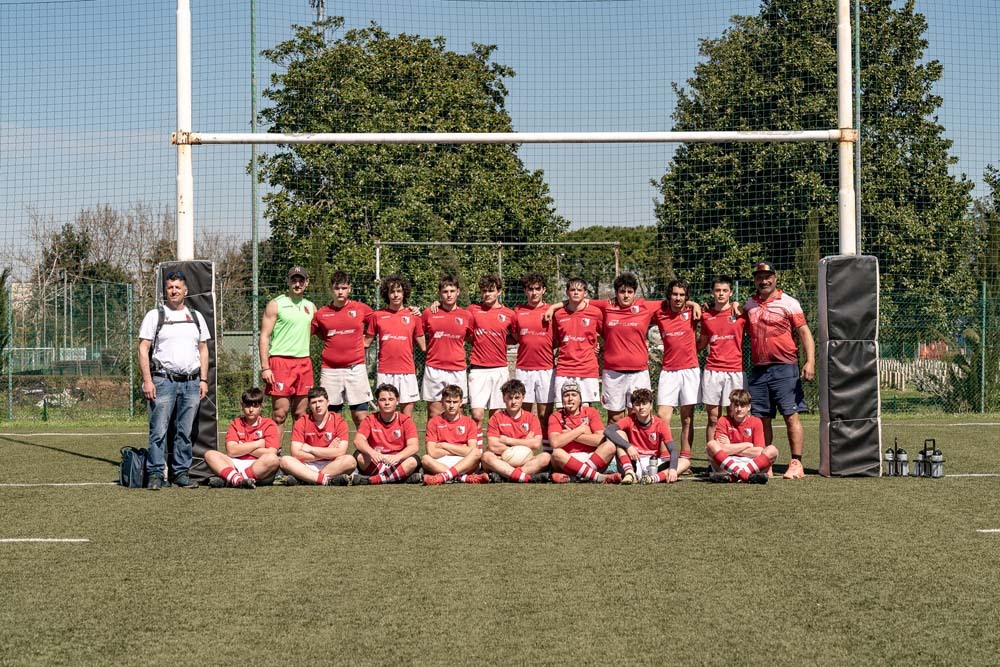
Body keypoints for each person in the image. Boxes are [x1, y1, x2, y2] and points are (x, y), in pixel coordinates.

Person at [137, 269, 210, 490]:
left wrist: (203, 379)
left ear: (186, 291)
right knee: (158, 431)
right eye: (170, 287)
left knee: (184, 432)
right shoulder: (155, 315)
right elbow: (143, 348)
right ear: (165, 291)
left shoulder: (196, 317)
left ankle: (180, 473)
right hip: (163, 381)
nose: (174, 291)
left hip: (191, 382)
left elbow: (203, 349)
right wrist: (147, 380)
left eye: (178, 287)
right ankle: (156, 473)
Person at [742, 261, 815, 480]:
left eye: (767, 277)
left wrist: (810, 361)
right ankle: (766, 463)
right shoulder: (749, 305)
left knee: (790, 415)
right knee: (761, 418)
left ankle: (796, 463)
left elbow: (804, 332)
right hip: (759, 370)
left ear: (775, 278)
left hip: (785, 368)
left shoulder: (789, 303)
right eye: (759, 277)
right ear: (755, 280)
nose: (763, 281)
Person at [259, 266, 316, 440]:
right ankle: (275, 453)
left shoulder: (311, 307)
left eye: (301, 280)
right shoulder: (276, 304)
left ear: (306, 283)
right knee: (279, 414)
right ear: (288, 281)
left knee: (301, 415)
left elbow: (324, 331)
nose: (297, 284)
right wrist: (265, 367)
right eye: (294, 280)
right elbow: (264, 336)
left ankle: (298, 453)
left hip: (304, 363)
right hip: (280, 362)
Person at [311, 270, 373, 427]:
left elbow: (378, 322)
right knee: (331, 416)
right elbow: (315, 331)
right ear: (331, 289)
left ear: (349, 288)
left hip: (356, 368)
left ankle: (363, 444)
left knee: (361, 416)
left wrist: (367, 340)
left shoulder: (361, 308)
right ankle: (334, 444)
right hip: (330, 370)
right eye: (337, 288)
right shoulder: (322, 313)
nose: (340, 292)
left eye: (344, 288)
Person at [651, 279, 699, 474]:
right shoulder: (659, 313)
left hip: (690, 370)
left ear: (686, 297)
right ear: (669, 295)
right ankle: (665, 459)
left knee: (687, 418)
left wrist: (694, 304)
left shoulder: (693, 312)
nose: (678, 298)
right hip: (668, 371)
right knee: (663, 417)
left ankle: (685, 459)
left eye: (682, 295)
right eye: (675, 294)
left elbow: (716, 309)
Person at [364, 275, 427, 417]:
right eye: (392, 292)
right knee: (384, 415)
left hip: (407, 371)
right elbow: (366, 342)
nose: (396, 295)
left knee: (406, 417)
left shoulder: (414, 316)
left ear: (404, 293)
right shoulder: (378, 315)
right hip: (385, 371)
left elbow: (424, 346)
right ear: (387, 294)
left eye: (399, 291)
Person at [698, 276, 746, 442]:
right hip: (713, 371)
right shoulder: (705, 315)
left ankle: (733, 453)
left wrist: (738, 304)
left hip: (735, 370)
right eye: (717, 290)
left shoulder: (741, 313)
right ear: (712, 292)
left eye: (725, 290)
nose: (721, 294)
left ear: (731, 293)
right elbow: (702, 342)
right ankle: (713, 455)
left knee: (734, 415)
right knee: (713, 418)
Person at [511, 272, 556, 446]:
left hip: (546, 369)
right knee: (523, 415)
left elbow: (557, 339)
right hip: (524, 369)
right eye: (530, 289)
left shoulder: (553, 311)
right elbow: (516, 337)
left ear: (544, 290)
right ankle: (524, 453)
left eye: (538, 289)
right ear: (525, 291)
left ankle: (547, 453)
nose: (534, 293)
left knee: (545, 415)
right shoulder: (517, 311)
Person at [279, 387, 357, 486]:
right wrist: (328, 451)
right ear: (309, 405)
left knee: (350, 461)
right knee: (284, 461)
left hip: (331, 465)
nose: (318, 405)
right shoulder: (302, 421)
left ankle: (306, 478)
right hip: (306, 465)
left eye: (320, 401)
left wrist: (311, 449)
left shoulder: (339, 422)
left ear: (328, 402)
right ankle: (324, 480)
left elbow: (340, 452)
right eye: (314, 402)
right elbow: (296, 453)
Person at [421, 275, 473, 419]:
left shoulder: (467, 315)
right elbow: (417, 333)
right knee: (434, 413)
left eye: (452, 291)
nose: (449, 295)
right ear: (440, 293)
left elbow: (470, 337)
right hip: (434, 368)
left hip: (457, 369)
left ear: (458, 292)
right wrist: (426, 348)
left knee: (457, 413)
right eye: (445, 291)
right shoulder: (429, 313)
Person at [205, 387, 280, 488]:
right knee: (210, 454)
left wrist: (242, 446)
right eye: (247, 405)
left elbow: (271, 452)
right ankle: (239, 480)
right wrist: (257, 444)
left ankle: (233, 479)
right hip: (235, 463)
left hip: (258, 465)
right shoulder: (236, 423)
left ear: (261, 406)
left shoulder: (269, 424)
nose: (251, 410)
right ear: (242, 406)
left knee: (273, 459)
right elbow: (231, 451)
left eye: (255, 406)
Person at [602, 388, 678, 485]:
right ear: (633, 407)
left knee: (684, 462)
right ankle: (630, 473)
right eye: (637, 404)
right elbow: (608, 430)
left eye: (644, 403)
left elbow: (673, 450)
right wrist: (628, 446)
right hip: (634, 460)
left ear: (651, 405)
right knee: (620, 434)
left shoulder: (660, 424)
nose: (641, 407)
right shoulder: (629, 420)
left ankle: (652, 479)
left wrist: (673, 469)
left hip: (653, 463)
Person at [548, 382, 620, 484]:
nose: (570, 399)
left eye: (574, 395)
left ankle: (576, 477)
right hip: (568, 459)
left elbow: (599, 440)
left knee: (610, 446)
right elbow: (555, 443)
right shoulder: (555, 416)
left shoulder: (591, 412)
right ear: (562, 400)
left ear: (580, 398)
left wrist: (571, 435)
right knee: (557, 454)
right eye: (566, 395)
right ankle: (597, 477)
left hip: (592, 459)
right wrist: (580, 430)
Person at [466, 275, 516, 424]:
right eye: (484, 291)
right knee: (477, 415)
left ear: (499, 292)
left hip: (499, 369)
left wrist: (498, 339)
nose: (487, 294)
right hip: (478, 368)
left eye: (491, 290)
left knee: (497, 416)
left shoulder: (509, 314)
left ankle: (493, 441)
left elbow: (515, 338)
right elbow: (467, 334)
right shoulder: (472, 310)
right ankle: (475, 441)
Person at [483, 379, 551, 483]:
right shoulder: (496, 418)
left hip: (525, 460)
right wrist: (524, 445)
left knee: (546, 457)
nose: (513, 402)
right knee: (486, 456)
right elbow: (493, 445)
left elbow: (536, 444)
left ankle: (506, 475)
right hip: (502, 459)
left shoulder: (531, 418)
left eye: (517, 398)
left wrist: (508, 440)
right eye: (510, 398)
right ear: (504, 398)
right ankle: (524, 476)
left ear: (523, 398)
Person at [352, 383, 421, 485]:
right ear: (377, 402)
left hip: (397, 461)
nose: (387, 403)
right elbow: (358, 441)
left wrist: (398, 457)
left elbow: (414, 446)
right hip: (377, 460)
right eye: (383, 400)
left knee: (413, 461)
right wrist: (373, 453)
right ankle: (398, 477)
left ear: (397, 401)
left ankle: (372, 480)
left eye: (391, 399)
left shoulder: (406, 420)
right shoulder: (370, 419)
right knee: (359, 456)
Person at [705, 389, 777, 484]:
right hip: (726, 465)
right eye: (736, 405)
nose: (739, 409)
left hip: (752, 464)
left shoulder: (756, 422)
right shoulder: (723, 420)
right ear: (731, 406)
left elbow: (759, 451)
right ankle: (745, 476)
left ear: (749, 407)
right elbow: (721, 449)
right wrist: (748, 445)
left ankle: (733, 477)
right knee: (711, 445)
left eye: (742, 406)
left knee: (772, 450)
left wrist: (730, 447)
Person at [421, 385, 489, 485]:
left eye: (455, 402)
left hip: (464, 462)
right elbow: (432, 452)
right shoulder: (433, 422)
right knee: (425, 459)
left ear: (461, 402)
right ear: (442, 402)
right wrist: (461, 449)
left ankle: (444, 476)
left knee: (476, 453)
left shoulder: (469, 422)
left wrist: (444, 445)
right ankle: (463, 478)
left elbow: (471, 450)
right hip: (441, 461)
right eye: (448, 401)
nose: (451, 405)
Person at [550, 278, 603, 404]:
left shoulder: (595, 313)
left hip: (587, 368)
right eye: (572, 290)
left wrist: (598, 346)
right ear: (567, 292)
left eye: (579, 290)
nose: (576, 292)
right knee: (563, 407)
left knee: (585, 407)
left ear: (585, 293)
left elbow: (605, 334)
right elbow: (556, 340)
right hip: (564, 368)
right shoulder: (558, 314)